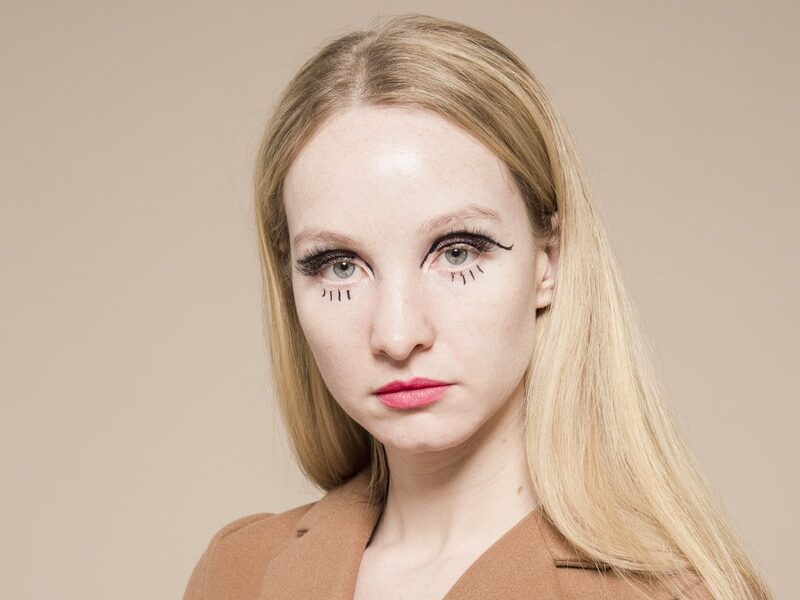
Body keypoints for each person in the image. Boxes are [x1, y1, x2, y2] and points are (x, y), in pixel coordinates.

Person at [181, 13, 772, 600]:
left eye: (458, 252)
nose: (396, 333)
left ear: (550, 262)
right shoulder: (240, 574)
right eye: (339, 265)